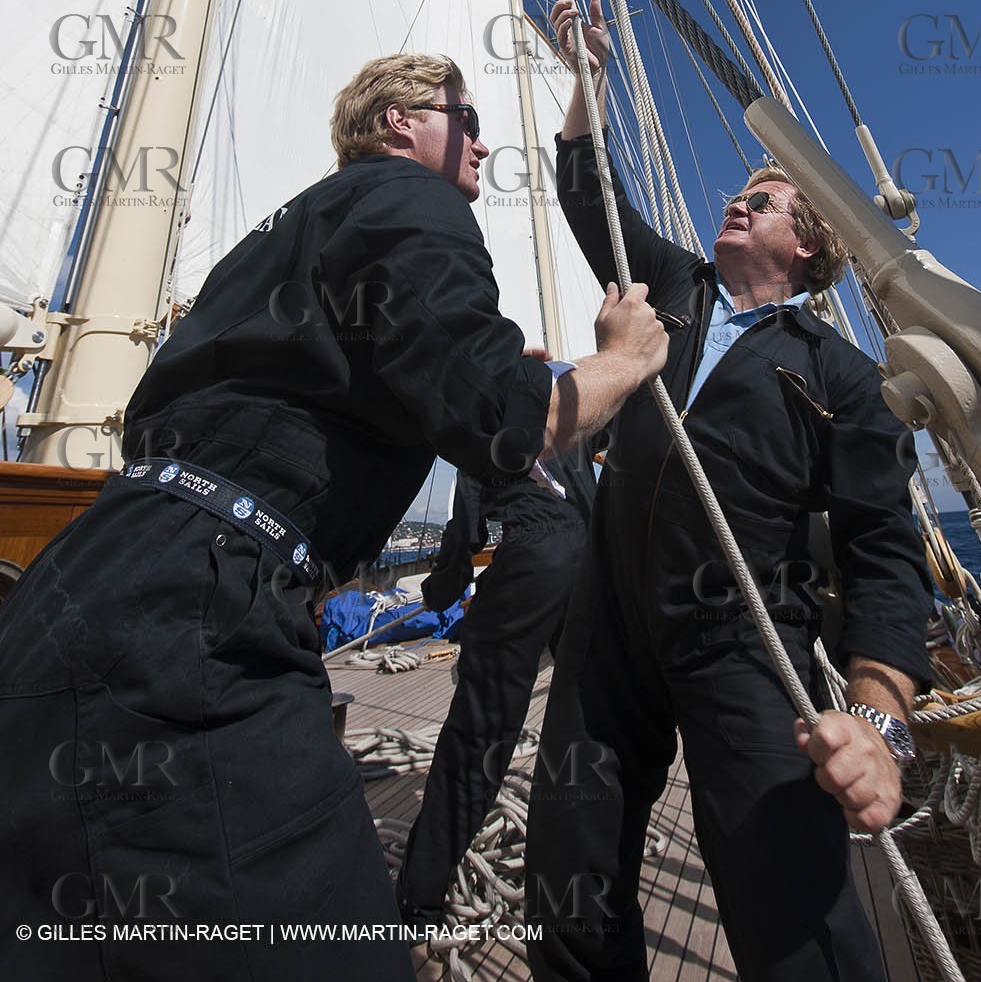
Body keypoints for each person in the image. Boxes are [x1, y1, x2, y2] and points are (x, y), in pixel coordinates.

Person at [0, 52, 667, 982]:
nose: (482, 141)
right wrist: (626, 360)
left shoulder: (283, 233)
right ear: (400, 123)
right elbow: (497, 416)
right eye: (465, 119)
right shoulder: (412, 200)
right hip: (196, 615)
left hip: (91, 579)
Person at [524, 0, 932, 982]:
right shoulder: (671, 285)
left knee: (791, 907)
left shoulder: (841, 373)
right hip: (608, 621)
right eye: (743, 188)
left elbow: (884, 550)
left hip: (744, 638)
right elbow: (588, 193)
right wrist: (590, 74)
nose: (741, 199)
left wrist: (878, 724)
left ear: (806, 248)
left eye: (768, 198)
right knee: (567, 884)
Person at [396, 441, 595, 929]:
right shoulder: (571, 418)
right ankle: (579, 868)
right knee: (587, 719)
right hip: (586, 561)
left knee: (477, 736)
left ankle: (418, 901)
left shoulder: (486, 417)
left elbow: (465, 530)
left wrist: (439, 590)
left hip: (531, 560)